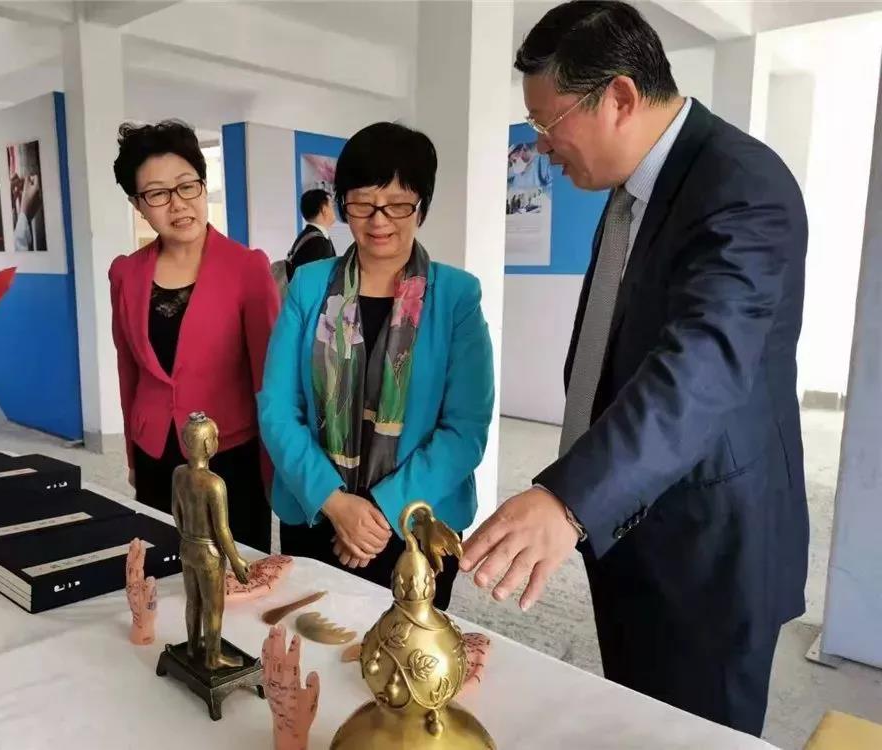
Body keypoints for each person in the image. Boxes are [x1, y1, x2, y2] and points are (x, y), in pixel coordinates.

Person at [460, 1, 809, 736]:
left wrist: (569, 501)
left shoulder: (741, 184)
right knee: (635, 718)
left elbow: (701, 368)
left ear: (618, 96)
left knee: (694, 733)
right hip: (626, 525)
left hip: (707, 549)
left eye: (548, 122)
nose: (542, 146)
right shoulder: (631, 191)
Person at [259, 122, 495, 611]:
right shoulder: (308, 286)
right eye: (363, 203)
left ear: (422, 207)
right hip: (317, 511)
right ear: (343, 204)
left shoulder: (457, 296)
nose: (379, 219)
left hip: (417, 521)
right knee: (312, 637)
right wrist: (335, 501)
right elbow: (278, 408)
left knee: (409, 651)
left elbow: (465, 429)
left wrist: (378, 512)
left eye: (398, 204)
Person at [110, 120, 279, 552]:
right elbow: (129, 371)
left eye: (187, 186)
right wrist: (132, 454)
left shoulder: (247, 269)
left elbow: (269, 380)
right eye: (157, 194)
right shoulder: (126, 273)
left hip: (230, 454)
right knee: (162, 564)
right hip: (155, 450)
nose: (178, 204)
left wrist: (271, 471)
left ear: (203, 186)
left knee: (237, 567)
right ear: (137, 204)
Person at [285, 188, 337, 281]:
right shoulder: (318, 243)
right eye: (331, 206)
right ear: (324, 210)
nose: (334, 210)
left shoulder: (307, 237)